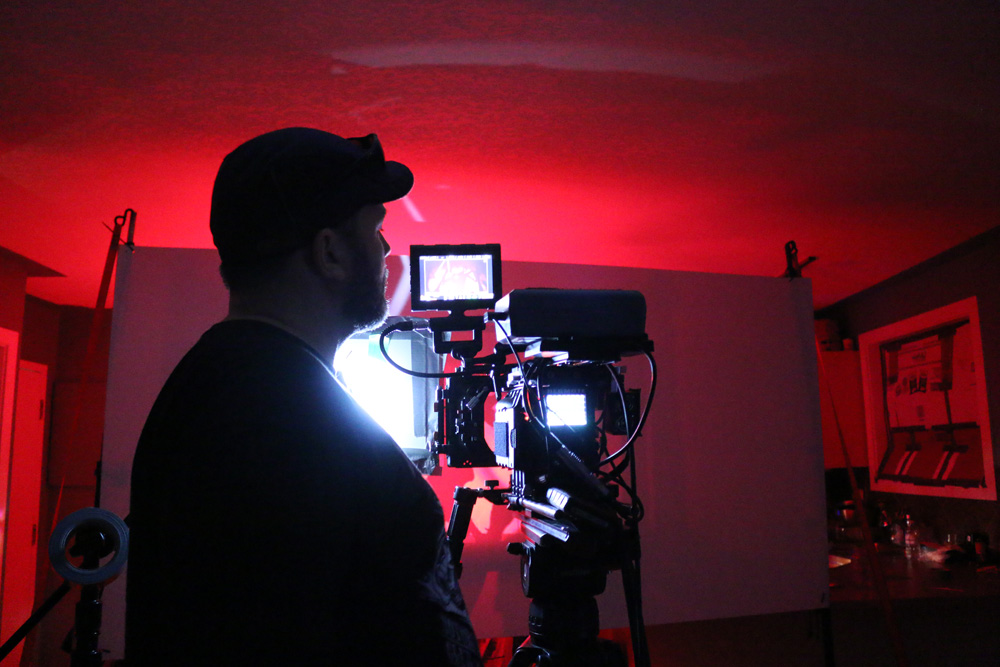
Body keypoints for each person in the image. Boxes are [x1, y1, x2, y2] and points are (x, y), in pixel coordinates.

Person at [126, 128, 483, 666]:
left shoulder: (221, 386)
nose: (387, 248)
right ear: (330, 252)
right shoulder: (285, 421)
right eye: (376, 229)